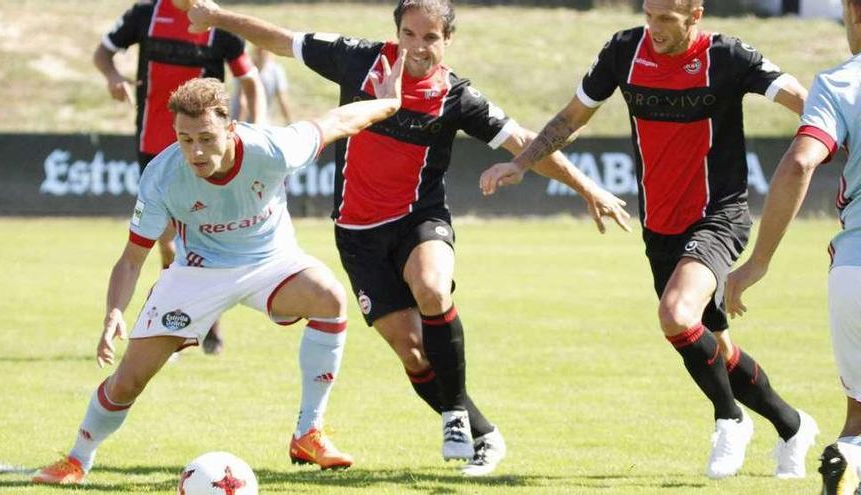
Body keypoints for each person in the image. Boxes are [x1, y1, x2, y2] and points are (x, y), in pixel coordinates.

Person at [184, 0, 631, 476]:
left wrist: (587, 187)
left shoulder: (458, 96)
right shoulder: (359, 60)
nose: (419, 47)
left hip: (419, 219)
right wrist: (217, 15)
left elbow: (523, 143)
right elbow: (283, 39)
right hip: (357, 234)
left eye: (431, 37)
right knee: (412, 352)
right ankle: (484, 433)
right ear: (397, 32)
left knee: (433, 287)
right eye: (410, 35)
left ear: (447, 40)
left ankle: (454, 415)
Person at [482, 0, 818, 480]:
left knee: (675, 315)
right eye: (649, 15)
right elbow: (572, 117)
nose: (654, 28)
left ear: (695, 14)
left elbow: (804, 102)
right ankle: (793, 425)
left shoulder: (728, 57)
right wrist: (520, 162)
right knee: (713, 346)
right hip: (659, 224)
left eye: (667, 18)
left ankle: (730, 420)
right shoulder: (623, 51)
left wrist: (841, 135)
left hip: (717, 214)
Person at [30, 59, 405, 484]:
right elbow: (133, 256)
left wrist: (388, 103)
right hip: (198, 273)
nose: (196, 151)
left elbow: (338, 119)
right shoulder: (162, 176)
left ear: (231, 129)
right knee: (128, 381)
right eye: (185, 139)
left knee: (330, 298)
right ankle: (78, 459)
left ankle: (308, 432)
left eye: (206, 138)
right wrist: (114, 311)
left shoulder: (273, 149)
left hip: (271, 261)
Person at [725, 0, 861, 491]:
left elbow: (802, 162)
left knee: (859, 426)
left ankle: (849, 456)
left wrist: (757, 262)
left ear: (851, 11)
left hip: (855, 271)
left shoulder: (841, 83)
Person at [92, 0, 267, 355]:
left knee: (202, 237)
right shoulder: (145, 15)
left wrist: (256, 136)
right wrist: (112, 75)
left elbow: (251, 82)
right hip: (154, 149)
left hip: (207, 153)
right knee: (168, 241)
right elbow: (102, 53)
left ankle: (196, 320)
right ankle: (181, 322)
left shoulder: (218, 23)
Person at [233, 46, 294, 124]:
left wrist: (289, 122)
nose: (262, 51)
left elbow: (282, 100)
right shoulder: (245, 68)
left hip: (261, 123)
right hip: (249, 123)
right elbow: (243, 102)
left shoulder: (276, 71)